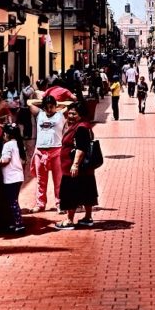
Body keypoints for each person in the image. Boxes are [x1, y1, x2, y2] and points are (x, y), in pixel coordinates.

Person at [55, 102, 99, 230]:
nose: (70, 116)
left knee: (71, 193)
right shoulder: (83, 126)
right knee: (87, 192)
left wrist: (75, 165)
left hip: (74, 169)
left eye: (74, 113)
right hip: (85, 170)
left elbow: (81, 148)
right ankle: (88, 218)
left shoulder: (80, 128)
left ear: (81, 115)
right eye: (69, 113)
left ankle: (69, 220)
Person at [27, 94, 66, 212]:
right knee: (40, 180)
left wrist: (58, 105)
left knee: (58, 180)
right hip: (40, 151)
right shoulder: (40, 114)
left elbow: (72, 104)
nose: (49, 110)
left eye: (51, 107)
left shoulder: (61, 115)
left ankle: (60, 204)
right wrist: (43, 102)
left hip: (56, 151)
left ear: (55, 106)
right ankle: (40, 204)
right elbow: (29, 102)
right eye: (47, 107)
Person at [0, 123, 26, 233]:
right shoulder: (19, 144)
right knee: (14, 200)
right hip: (18, 176)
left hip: (10, 178)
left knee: (12, 201)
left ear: (7, 134)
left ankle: (19, 223)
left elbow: (6, 159)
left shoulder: (8, 145)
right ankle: (16, 222)